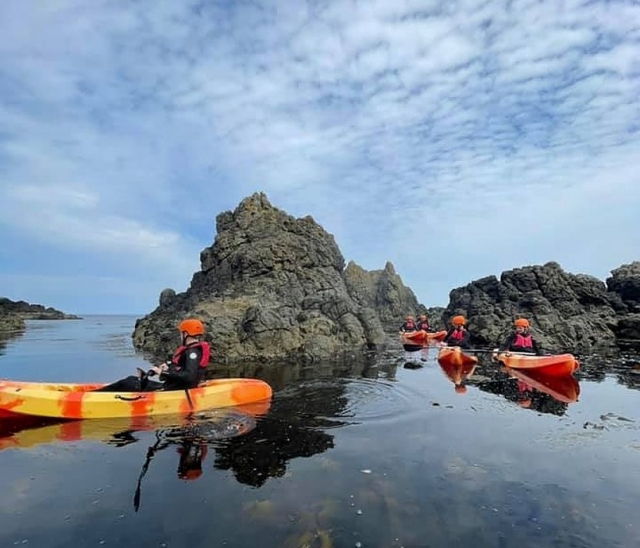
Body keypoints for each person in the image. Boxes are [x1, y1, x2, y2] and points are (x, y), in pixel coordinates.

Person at [95, 318, 210, 392]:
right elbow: (182, 370)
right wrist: (167, 368)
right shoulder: (190, 350)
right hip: (173, 387)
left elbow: (189, 376)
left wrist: (162, 372)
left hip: (174, 391)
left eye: (181, 333)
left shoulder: (192, 352)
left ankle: (93, 397)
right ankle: (96, 394)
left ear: (186, 334)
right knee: (132, 379)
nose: (180, 336)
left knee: (128, 383)